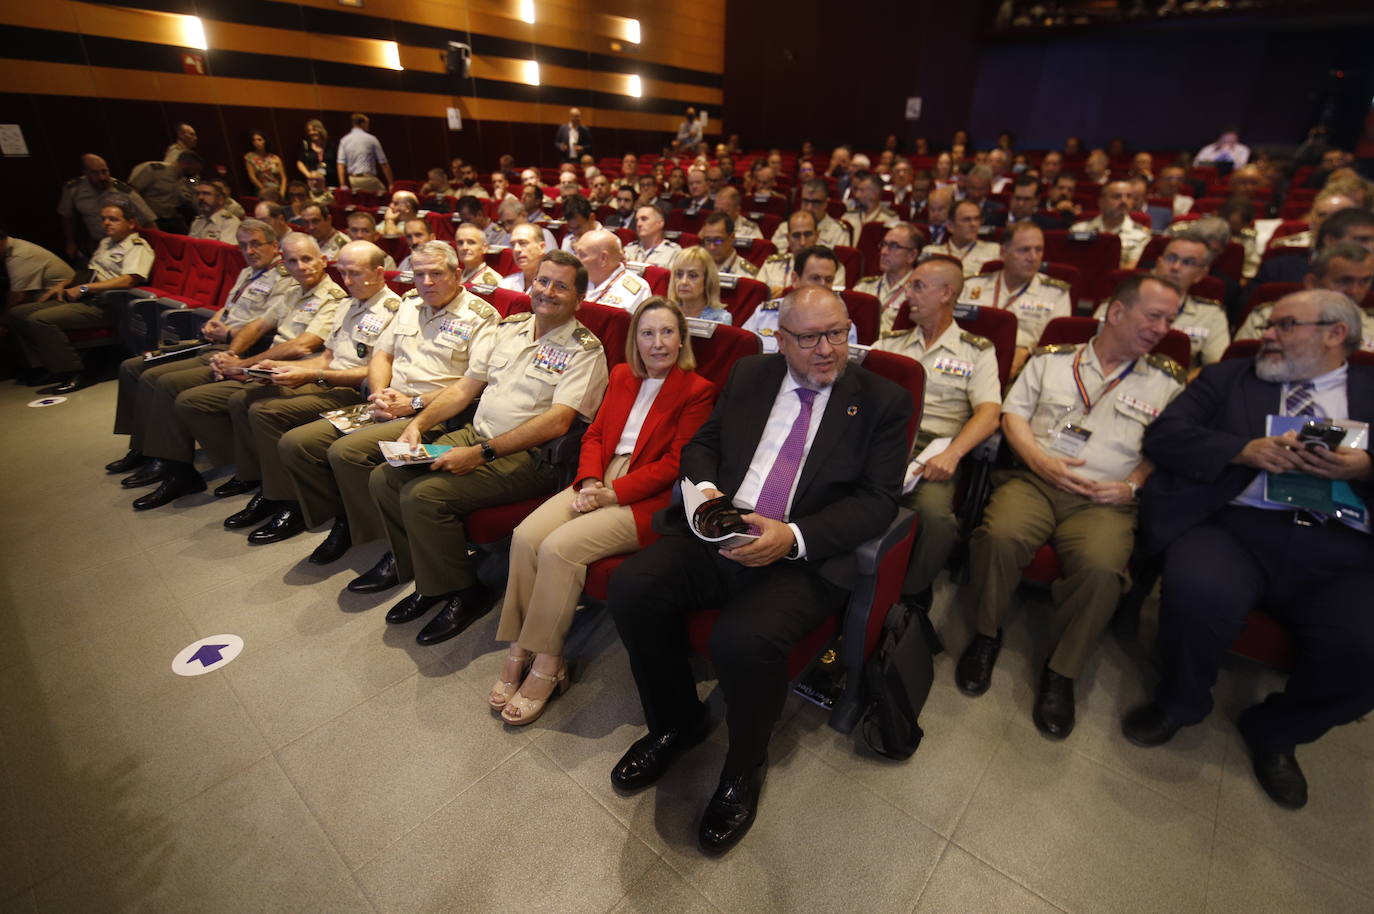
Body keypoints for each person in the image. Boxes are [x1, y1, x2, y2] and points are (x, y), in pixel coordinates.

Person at [608, 285, 911, 853]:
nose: (826, 349)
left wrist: (793, 538)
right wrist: (708, 493)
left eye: (837, 333)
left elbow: (877, 501)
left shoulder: (881, 401)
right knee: (632, 587)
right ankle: (677, 721)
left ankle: (744, 767)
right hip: (722, 527)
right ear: (780, 338)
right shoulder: (751, 375)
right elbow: (704, 443)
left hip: (801, 554)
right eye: (808, 338)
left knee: (742, 641)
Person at [1124, 290, 1374, 810]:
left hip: (1339, 544)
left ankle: (1278, 732)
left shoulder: (1371, 391)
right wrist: (1240, 449)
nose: (1269, 334)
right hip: (1238, 524)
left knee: (1364, 649)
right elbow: (1165, 436)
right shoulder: (1229, 378)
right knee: (1195, 590)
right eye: (1270, 323)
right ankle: (1180, 702)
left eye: (1286, 325)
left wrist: (1368, 467)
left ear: (1335, 334)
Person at [955, 275, 1186, 738]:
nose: (1163, 328)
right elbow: (1013, 415)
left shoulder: (1166, 382)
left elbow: (1166, 450)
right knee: (1000, 536)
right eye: (1153, 316)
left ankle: (1061, 671)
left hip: (1106, 500)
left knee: (1102, 571)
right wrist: (1039, 460)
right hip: (1035, 481)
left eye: (1170, 320)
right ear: (1116, 312)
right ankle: (986, 635)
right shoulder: (1052, 361)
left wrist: (1133, 486)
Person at [366, 250, 609, 644]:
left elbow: (558, 421)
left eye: (561, 286)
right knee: (385, 477)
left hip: (528, 458)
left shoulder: (585, 349)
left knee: (424, 497)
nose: (548, 291)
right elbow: (465, 387)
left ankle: (464, 592)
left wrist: (481, 454)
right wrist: (417, 424)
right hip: (475, 434)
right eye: (543, 281)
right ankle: (425, 575)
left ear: (579, 299)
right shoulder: (510, 328)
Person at [492, 297, 716, 724]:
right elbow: (594, 435)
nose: (658, 343)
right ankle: (520, 645)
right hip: (600, 477)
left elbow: (676, 463)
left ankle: (548, 662)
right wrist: (592, 480)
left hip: (647, 496)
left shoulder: (697, 391)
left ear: (681, 338)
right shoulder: (620, 375)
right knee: (526, 536)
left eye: (667, 332)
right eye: (647, 333)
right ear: (636, 339)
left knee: (559, 549)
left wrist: (614, 493)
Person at [239, 240, 500, 549]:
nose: (427, 282)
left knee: (345, 452)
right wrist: (378, 394)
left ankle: (381, 536)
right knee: (298, 444)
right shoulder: (410, 303)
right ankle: (346, 516)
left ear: (457, 274)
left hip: (436, 413)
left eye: (436, 273)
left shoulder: (481, 316)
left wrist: (412, 404)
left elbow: (467, 387)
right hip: (388, 402)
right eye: (418, 274)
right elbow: (381, 357)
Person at [149, 233, 346, 510]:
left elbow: (303, 346)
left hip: (296, 371)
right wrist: (233, 353)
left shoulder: (335, 297)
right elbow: (257, 326)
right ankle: (222, 468)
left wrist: (244, 365)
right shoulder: (292, 291)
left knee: (218, 401)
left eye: (307, 259)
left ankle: (256, 475)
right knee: (174, 388)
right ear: (284, 264)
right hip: (265, 365)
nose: (301, 266)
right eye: (292, 261)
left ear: (323, 261)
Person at [104, 219, 295, 491]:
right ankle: (142, 446)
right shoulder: (247, 272)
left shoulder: (285, 279)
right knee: (132, 367)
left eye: (256, 244)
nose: (249, 251)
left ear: (274, 246)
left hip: (242, 347)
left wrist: (228, 337)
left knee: (159, 380)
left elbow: (263, 326)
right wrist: (214, 322)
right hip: (216, 340)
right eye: (243, 245)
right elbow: (229, 307)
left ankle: (172, 464)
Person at [875, 258, 1001, 609]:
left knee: (935, 519)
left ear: (947, 293)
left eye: (918, 286)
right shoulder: (891, 342)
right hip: (886, 440)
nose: (907, 294)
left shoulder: (977, 351)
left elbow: (989, 413)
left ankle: (908, 594)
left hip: (935, 449)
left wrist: (953, 454)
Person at [8, 202, 152, 394]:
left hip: (107, 305)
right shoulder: (106, 243)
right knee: (17, 313)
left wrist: (84, 288)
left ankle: (73, 372)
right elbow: (91, 272)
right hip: (84, 297)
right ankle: (44, 366)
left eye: (114, 219)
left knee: (40, 320)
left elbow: (129, 280)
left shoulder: (137, 247)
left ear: (131, 223)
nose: (107, 223)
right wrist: (66, 283)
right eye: (104, 219)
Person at [1093, 231, 1229, 378]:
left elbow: (1217, 366)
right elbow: (1095, 347)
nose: (1176, 267)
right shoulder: (1120, 303)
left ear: (1200, 274)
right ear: (1159, 263)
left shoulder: (1211, 315)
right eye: (1171, 258)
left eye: (1188, 262)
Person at [959, 223, 1071, 376]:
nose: (1033, 257)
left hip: (1025, 369)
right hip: (970, 360)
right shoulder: (972, 286)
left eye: (1039, 250)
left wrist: (1028, 351)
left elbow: (1057, 346)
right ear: (1004, 252)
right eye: (1025, 250)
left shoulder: (1055, 293)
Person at [1237, 242, 1374, 346]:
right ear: (1312, 283)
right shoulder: (1268, 318)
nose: (1355, 291)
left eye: (1365, 281)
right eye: (1344, 281)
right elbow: (1240, 371)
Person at [747, 246, 857, 353]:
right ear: (795, 279)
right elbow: (743, 350)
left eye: (828, 280)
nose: (823, 286)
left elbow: (843, 368)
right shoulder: (765, 313)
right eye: (815, 278)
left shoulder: (842, 326)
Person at [57, 154, 156, 258]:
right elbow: (68, 217)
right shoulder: (74, 189)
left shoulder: (122, 191)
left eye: (104, 171)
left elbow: (148, 219)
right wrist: (70, 242)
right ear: (85, 173)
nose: (102, 177)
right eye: (95, 173)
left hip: (126, 243)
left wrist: (156, 246)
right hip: (97, 243)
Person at [855, 222, 923, 334]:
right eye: (883, 244)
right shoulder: (863, 287)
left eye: (894, 246)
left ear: (912, 255)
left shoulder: (919, 294)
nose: (883, 252)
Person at [758, 213, 849, 295]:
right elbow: (758, 297)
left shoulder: (831, 267)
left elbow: (831, 300)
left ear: (817, 235)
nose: (802, 242)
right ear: (788, 238)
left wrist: (785, 293)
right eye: (796, 235)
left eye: (808, 234)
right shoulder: (771, 265)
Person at [1071, 181, 1152, 268]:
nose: (1124, 201)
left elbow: (1130, 270)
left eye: (1128, 197)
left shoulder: (1142, 236)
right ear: (1101, 202)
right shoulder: (1079, 229)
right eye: (1117, 196)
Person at [576, 229, 651, 311]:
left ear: (603, 259)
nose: (576, 259)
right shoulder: (576, 281)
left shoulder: (636, 290)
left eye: (582, 255)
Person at [129, 152, 201, 234]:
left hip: (172, 217)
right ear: (185, 164)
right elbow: (133, 192)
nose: (195, 173)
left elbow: (192, 197)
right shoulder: (155, 170)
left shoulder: (185, 179)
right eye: (195, 169)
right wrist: (146, 218)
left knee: (186, 239)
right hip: (153, 219)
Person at [1, 228, 74, 309]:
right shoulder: (14, 246)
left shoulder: (20, 255)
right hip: (50, 294)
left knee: (14, 313)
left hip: (63, 297)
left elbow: (17, 297)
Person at [770, 179, 850, 253]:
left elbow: (838, 265)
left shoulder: (838, 232)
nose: (809, 208)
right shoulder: (784, 228)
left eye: (815, 202)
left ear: (826, 203)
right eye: (805, 201)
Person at [927, 200, 1000, 278]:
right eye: (966, 220)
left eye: (977, 219)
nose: (973, 224)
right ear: (950, 226)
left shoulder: (994, 250)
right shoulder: (931, 252)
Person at [668, 246, 732, 324]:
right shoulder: (665, 313)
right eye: (679, 274)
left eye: (693, 275)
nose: (683, 282)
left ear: (707, 280)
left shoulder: (721, 319)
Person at [336, 113, 393, 195]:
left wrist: (342, 184)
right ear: (363, 124)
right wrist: (391, 183)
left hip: (352, 180)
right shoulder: (371, 139)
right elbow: (383, 162)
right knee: (384, 196)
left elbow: (341, 164)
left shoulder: (344, 140)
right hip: (369, 179)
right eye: (367, 124)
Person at [841, 173, 900, 241]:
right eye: (857, 190)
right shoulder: (848, 216)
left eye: (862, 191)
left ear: (874, 194)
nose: (857, 195)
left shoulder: (890, 218)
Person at [698, 212, 758, 279]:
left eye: (718, 240)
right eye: (708, 240)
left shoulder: (747, 275)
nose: (712, 247)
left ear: (732, 238)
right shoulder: (696, 267)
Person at [498, 224, 547, 294]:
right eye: (512, 245)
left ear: (542, 247)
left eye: (523, 243)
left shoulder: (553, 285)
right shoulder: (505, 284)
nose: (516, 249)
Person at [243, 130, 286, 197]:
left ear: (264, 141)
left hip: (276, 188)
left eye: (259, 140)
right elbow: (252, 177)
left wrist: (282, 192)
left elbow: (283, 178)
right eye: (254, 140)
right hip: (262, 189)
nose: (257, 142)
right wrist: (265, 190)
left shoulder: (275, 158)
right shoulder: (250, 157)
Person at [295, 119, 335, 184]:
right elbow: (300, 162)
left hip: (330, 181)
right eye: (309, 131)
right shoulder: (306, 145)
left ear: (320, 130)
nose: (311, 133)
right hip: (313, 182)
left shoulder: (330, 145)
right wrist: (308, 175)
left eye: (314, 130)